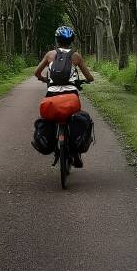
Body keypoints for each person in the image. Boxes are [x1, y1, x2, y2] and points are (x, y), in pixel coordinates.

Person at [34, 26, 94, 167]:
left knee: (51, 118)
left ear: (57, 40)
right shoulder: (76, 56)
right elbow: (90, 77)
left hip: (51, 95)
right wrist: (84, 80)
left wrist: (44, 79)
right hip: (71, 97)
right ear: (72, 40)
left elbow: (36, 72)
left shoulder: (49, 55)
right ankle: (75, 152)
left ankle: (53, 144)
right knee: (75, 118)